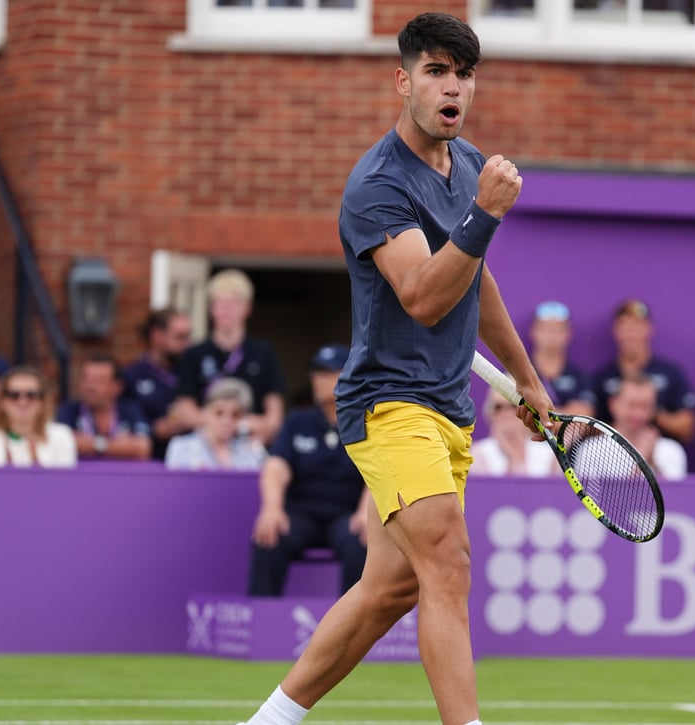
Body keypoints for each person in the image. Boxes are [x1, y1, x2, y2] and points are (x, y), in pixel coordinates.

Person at [237, 14, 553, 725]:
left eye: (464, 75)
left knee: (390, 589)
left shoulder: (468, 165)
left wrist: (526, 379)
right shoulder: (375, 184)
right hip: (387, 406)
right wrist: (485, 217)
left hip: (450, 409)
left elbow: (476, 284)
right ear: (403, 81)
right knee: (449, 560)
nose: (453, 88)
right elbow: (423, 297)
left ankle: (269, 720)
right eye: (437, 72)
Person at [249, 344, 370, 597]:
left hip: (345, 515)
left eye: (327, 373)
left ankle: (351, 629)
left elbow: (378, 471)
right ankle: (262, 622)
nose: (319, 380)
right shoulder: (297, 421)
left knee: (364, 541)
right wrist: (271, 508)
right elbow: (276, 466)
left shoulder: (365, 421)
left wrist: (366, 511)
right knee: (269, 537)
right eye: (316, 373)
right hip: (302, 514)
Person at [174, 269, 287, 446]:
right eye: (218, 304)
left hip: (248, 445)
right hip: (205, 448)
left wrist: (244, 424)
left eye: (232, 304)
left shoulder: (263, 353)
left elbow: (274, 417)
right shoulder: (194, 354)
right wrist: (222, 422)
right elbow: (185, 412)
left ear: (247, 308)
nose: (224, 311)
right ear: (211, 309)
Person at [590, 298, 695, 444]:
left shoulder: (671, 374)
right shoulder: (602, 377)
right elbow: (586, 426)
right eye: (625, 326)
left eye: (637, 325)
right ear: (616, 331)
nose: (631, 333)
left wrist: (646, 411)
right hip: (610, 450)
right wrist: (622, 421)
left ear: (649, 328)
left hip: (659, 449)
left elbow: (687, 428)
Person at [0, 366, 77, 467]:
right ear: (2, 402)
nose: (23, 402)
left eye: (31, 395)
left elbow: (63, 483)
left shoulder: (61, 436)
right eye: (14, 395)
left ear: (42, 402)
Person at [122, 308, 193, 460]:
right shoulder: (132, 376)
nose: (187, 344)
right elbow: (122, 421)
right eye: (180, 337)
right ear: (157, 336)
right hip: (149, 462)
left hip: (190, 461)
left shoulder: (194, 372)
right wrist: (153, 428)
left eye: (188, 337)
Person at [56, 353, 152, 461]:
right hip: (79, 476)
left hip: (122, 476)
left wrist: (94, 444)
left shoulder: (130, 410)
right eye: (86, 379)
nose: (90, 387)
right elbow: (61, 445)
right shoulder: (68, 411)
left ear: (117, 387)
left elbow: (142, 448)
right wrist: (118, 446)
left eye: (99, 380)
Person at [164, 377, 269, 471]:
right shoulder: (181, 447)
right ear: (205, 412)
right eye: (219, 413)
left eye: (235, 415)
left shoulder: (250, 450)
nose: (226, 421)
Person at [601, 372, 688, 480]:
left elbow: (676, 494)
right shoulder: (592, 450)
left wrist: (652, 461)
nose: (638, 414)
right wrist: (643, 460)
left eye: (645, 406)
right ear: (613, 404)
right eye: (632, 405)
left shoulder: (672, 450)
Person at [469, 386, 557, 476]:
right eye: (498, 407)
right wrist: (512, 458)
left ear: (527, 411)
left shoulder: (549, 454)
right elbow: (482, 489)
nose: (506, 412)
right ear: (490, 412)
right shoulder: (479, 453)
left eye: (513, 405)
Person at [528, 299, 595, 417]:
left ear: (568, 334)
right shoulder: (516, 372)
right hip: (524, 436)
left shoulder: (579, 376)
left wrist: (538, 414)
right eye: (546, 328)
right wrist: (567, 412)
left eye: (559, 329)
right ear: (533, 332)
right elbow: (509, 414)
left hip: (569, 435)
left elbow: (584, 417)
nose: (552, 334)